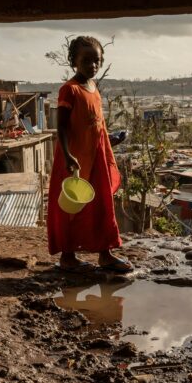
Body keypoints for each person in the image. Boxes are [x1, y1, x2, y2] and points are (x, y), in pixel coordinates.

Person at [47, 36, 133, 273]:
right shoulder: (69, 90)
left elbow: (97, 125)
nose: (92, 66)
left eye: (97, 61)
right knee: (71, 209)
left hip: (96, 157)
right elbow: (61, 127)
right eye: (86, 60)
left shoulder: (94, 88)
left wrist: (110, 142)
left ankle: (106, 254)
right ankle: (67, 256)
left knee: (102, 204)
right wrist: (67, 155)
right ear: (74, 61)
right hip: (74, 160)